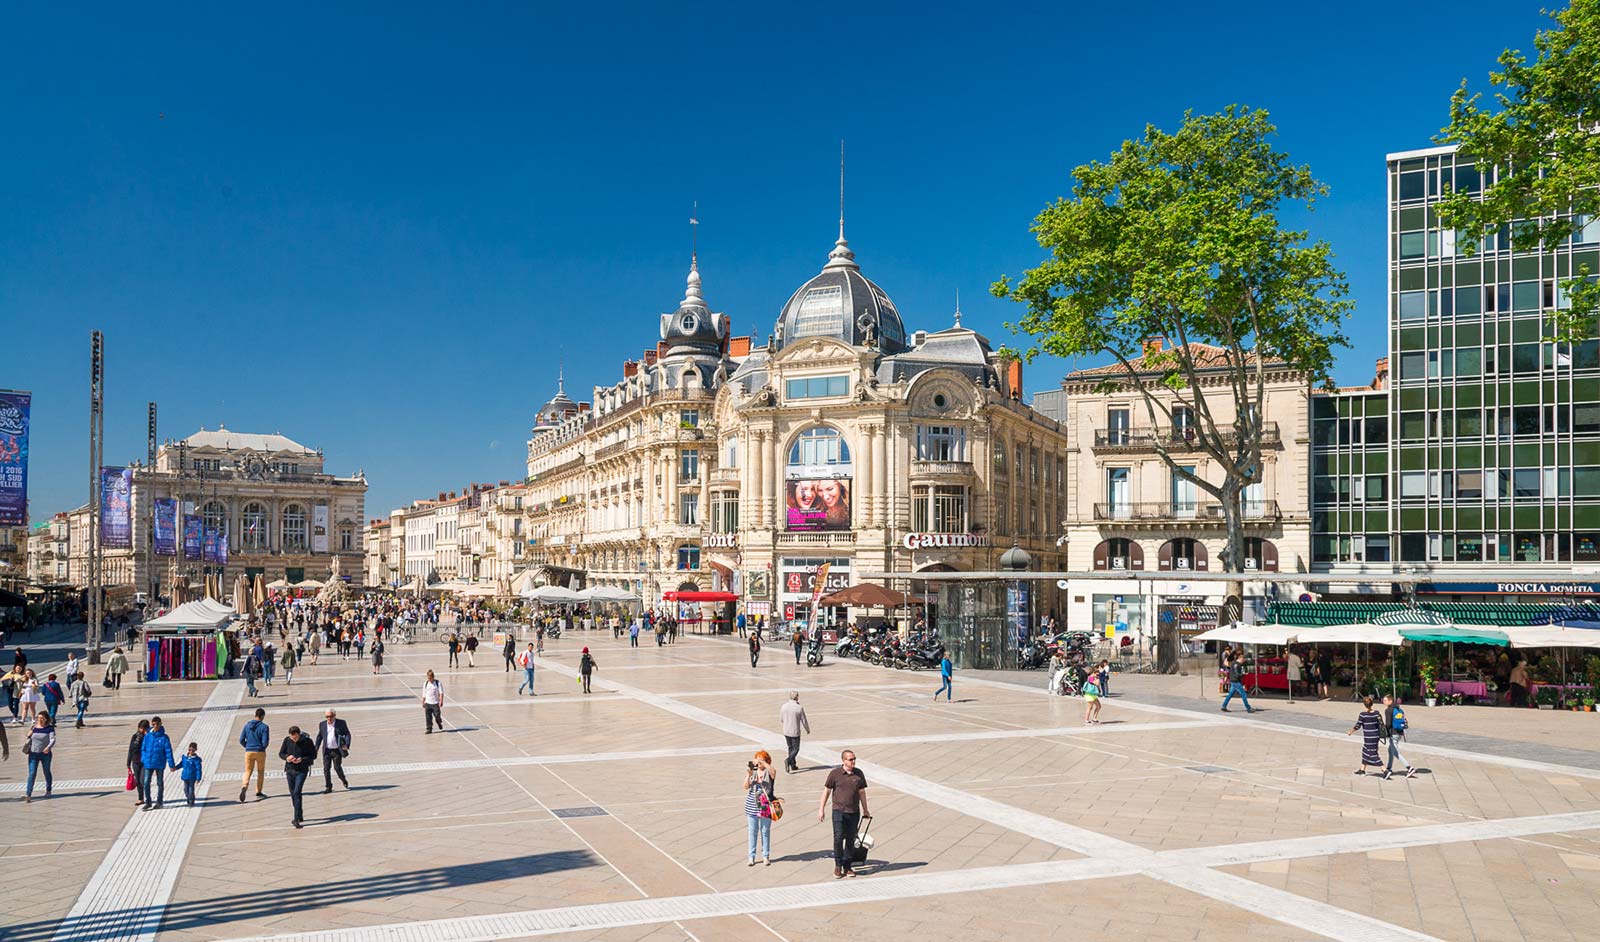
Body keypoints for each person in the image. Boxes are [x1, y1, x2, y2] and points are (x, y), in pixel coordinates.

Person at [818, 749, 869, 879]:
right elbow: (827, 791)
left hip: (854, 812)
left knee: (851, 839)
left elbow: (862, 793)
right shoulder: (835, 774)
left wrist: (865, 809)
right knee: (838, 837)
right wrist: (821, 809)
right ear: (843, 761)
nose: (853, 761)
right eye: (850, 759)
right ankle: (838, 864)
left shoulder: (858, 774)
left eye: (854, 759)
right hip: (838, 811)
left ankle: (847, 866)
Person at [744, 749, 779, 866]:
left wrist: (764, 763)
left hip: (765, 805)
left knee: (765, 831)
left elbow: (773, 772)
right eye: (757, 759)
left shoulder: (768, 772)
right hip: (752, 805)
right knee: (752, 832)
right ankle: (751, 857)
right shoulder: (753, 772)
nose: (759, 762)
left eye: (761, 759)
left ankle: (766, 856)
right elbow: (745, 786)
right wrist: (748, 775)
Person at [278, 725, 317, 828]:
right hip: (290, 770)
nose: (293, 740)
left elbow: (313, 755)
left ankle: (296, 819)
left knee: (297, 792)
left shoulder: (307, 741)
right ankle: (299, 814)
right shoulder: (287, 740)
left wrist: (302, 759)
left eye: (295, 738)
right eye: (292, 738)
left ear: (299, 734)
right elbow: (281, 753)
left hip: (301, 770)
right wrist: (287, 757)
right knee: (293, 794)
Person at [140, 716, 175, 810]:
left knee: (159, 782)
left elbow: (168, 751)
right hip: (148, 763)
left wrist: (171, 764)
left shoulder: (164, 737)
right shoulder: (147, 736)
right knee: (146, 782)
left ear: (160, 724)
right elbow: (143, 748)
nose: (155, 726)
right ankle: (148, 802)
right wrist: (143, 759)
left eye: (157, 724)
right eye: (153, 724)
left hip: (159, 763)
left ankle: (159, 802)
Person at [1381, 693, 1418, 780]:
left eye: (1385, 700)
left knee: (1395, 752)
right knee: (1390, 750)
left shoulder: (1388, 710)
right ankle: (1389, 768)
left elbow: (1388, 724)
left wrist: (1385, 732)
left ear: (1390, 701)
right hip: (1400, 732)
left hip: (1393, 733)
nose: (1384, 702)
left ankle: (1409, 768)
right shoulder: (1399, 709)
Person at [239, 707, 270, 802]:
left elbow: (241, 739)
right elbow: (265, 742)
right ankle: (258, 791)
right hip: (260, 751)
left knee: (248, 771)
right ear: (262, 716)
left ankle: (244, 786)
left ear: (255, 715)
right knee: (260, 771)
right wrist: (262, 748)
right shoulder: (264, 727)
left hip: (249, 751)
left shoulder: (247, 725)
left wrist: (247, 746)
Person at [316, 709, 351, 792]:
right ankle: (328, 786)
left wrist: (347, 744)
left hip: (336, 750)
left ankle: (343, 780)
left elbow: (347, 734)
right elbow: (319, 737)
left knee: (337, 767)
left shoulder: (341, 723)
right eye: (327, 717)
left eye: (331, 716)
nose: (329, 718)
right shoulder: (322, 724)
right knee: (326, 769)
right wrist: (315, 749)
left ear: (335, 716)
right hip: (327, 750)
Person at [1348, 695, 1384, 775]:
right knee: (1365, 751)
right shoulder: (1377, 713)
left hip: (1368, 737)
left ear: (1364, 704)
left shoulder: (1363, 714)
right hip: (1376, 736)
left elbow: (1358, 726)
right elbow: (1381, 724)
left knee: (1372, 753)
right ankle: (1362, 769)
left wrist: (1351, 731)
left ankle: (1384, 770)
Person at [23, 713, 54, 802]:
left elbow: (52, 739)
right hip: (33, 754)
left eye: (42, 718)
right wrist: (28, 735)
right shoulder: (34, 727)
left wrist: (48, 747)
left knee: (46, 771)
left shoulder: (49, 728)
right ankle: (28, 794)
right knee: (32, 773)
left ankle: (48, 789)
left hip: (45, 754)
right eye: (38, 718)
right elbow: (29, 738)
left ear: (46, 719)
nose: (39, 719)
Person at [780, 691, 810, 773]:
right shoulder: (799, 707)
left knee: (790, 748)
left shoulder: (784, 706)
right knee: (796, 749)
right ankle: (788, 760)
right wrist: (807, 729)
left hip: (786, 730)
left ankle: (793, 765)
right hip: (795, 731)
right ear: (797, 697)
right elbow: (804, 720)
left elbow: (781, 719)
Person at [128, 719, 149, 807]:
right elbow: (131, 749)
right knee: (138, 782)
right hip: (135, 761)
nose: (141, 730)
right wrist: (128, 763)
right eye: (140, 728)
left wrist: (146, 736)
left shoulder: (149, 737)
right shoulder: (134, 736)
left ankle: (148, 797)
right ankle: (141, 798)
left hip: (144, 762)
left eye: (143, 728)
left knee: (143, 780)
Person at [178, 742, 203, 806]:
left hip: (192, 777)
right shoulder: (185, 758)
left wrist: (198, 778)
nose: (191, 751)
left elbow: (198, 769)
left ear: (195, 750)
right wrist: (175, 767)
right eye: (189, 750)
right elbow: (181, 764)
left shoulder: (196, 760)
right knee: (186, 789)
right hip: (185, 776)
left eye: (192, 750)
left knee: (191, 788)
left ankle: (191, 800)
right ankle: (188, 797)